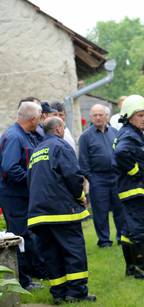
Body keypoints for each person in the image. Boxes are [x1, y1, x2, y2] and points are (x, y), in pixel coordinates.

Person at [27, 117, 95, 304]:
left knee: (51, 254)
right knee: (73, 250)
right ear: (58, 129)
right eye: (63, 128)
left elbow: (30, 180)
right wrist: (80, 196)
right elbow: (73, 175)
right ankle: (76, 293)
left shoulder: (36, 151)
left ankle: (59, 293)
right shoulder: (61, 146)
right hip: (62, 211)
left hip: (38, 214)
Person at [112, 94, 144, 279]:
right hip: (136, 190)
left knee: (128, 231)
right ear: (129, 116)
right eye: (140, 115)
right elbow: (120, 153)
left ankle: (131, 268)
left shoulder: (126, 132)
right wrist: (135, 171)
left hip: (130, 190)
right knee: (140, 229)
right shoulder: (130, 135)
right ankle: (142, 269)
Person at [0, 101, 44, 290]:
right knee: (19, 236)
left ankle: (32, 275)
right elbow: (10, 167)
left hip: (21, 195)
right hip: (14, 196)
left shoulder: (27, 135)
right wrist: (31, 182)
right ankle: (23, 282)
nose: (42, 120)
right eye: (40, 116)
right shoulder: (14, 137)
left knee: (27, 234)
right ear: (33, 119)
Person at [79, 104, 126, 248]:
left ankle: (121, 236)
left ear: (106, 116)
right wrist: (91, 178)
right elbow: (83, 160)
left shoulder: (114, 132)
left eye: (101, 114)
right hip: (97, 178)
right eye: (95, 115)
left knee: (120, 209)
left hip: (116, 176)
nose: (98, 117)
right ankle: (104, 241)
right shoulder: (86, 136)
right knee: (100, 212)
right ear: (91, 118)